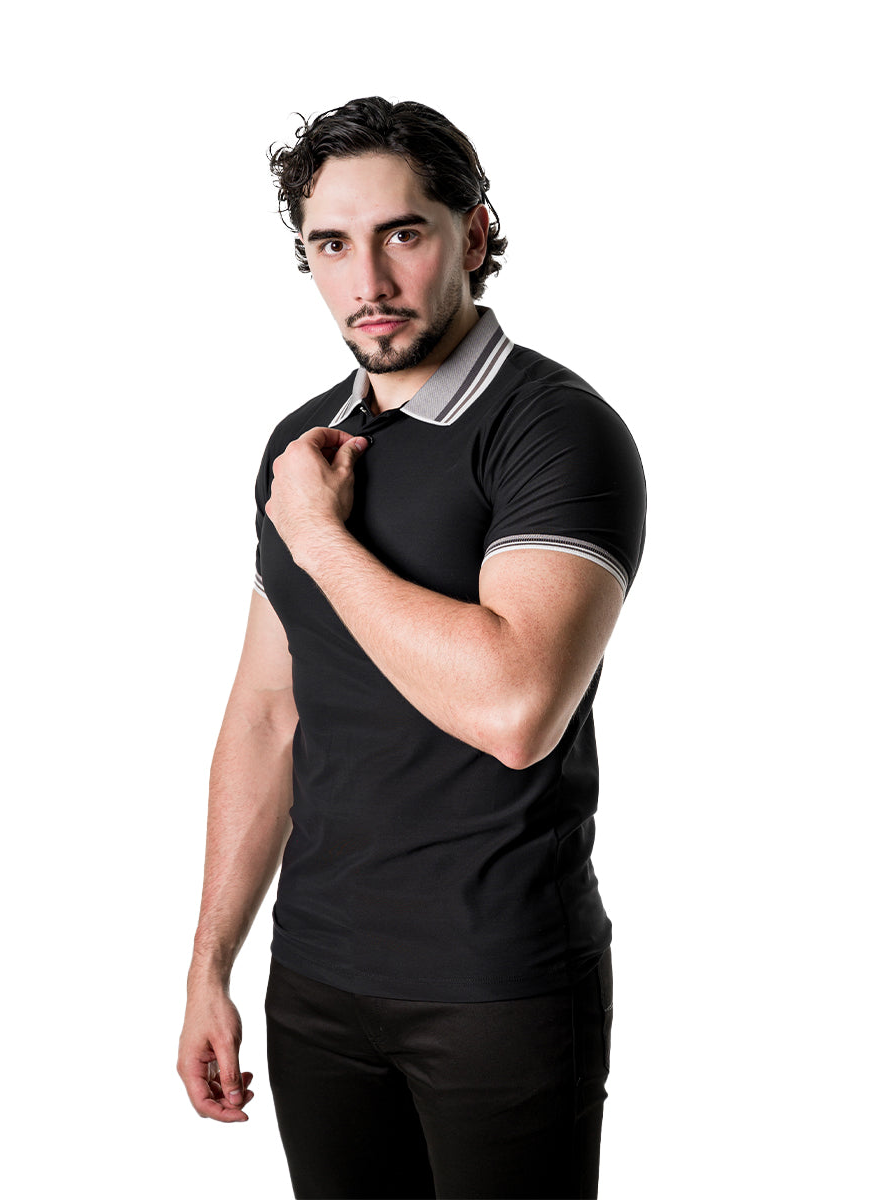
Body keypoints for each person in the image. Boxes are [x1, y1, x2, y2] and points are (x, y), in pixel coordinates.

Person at [177, 96, 646, 1199]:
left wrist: (319, 539)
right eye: (331, 245)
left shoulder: (552, 429)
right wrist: (209, 964)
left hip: (496, 987)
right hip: (317, 979)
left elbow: (517, 709)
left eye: (403, 234)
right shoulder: (306, 448)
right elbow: (267, 712)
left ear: (472, 235)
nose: (368, 281)